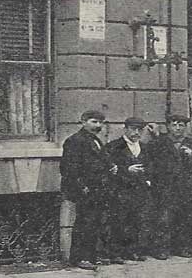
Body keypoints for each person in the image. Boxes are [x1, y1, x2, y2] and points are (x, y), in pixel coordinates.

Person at [60, 110, 121, 270]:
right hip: (85, 190)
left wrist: (111, 167)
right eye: (94, 122)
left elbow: (100, 161)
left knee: (94, 223)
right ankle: (80, 258)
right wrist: (82, 188)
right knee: (84, 223)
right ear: (83, 122)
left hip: (99, 189)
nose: (98, 126)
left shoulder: (95, 140)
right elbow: (69, 169)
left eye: (100, 122)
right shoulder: (74, 141)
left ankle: (91, 257)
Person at [147, 114, 192, 260]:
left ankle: (182, 247)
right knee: (163, 219)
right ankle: (161, 249)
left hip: (186, 187)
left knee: (185, 218)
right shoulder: (157, 143)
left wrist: (191, 156)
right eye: (174, 125)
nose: (177, 128)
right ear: (168, 127)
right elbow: (151, 164)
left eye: (181, 125)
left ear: (185, 127)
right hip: (165, 187)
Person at [106, 117, 153, 262]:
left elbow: (152, 166)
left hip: (139, 190)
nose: (136, 132)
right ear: (125, 129)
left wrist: (148, 180)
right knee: (119, 222)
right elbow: (107, 168)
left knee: (136, 221)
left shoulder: (145, 147)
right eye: (133, 129)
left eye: (140, 130)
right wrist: (126, 170)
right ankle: (115, 253)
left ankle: (132, 251)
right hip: (121, 190)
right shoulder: (113, 147)